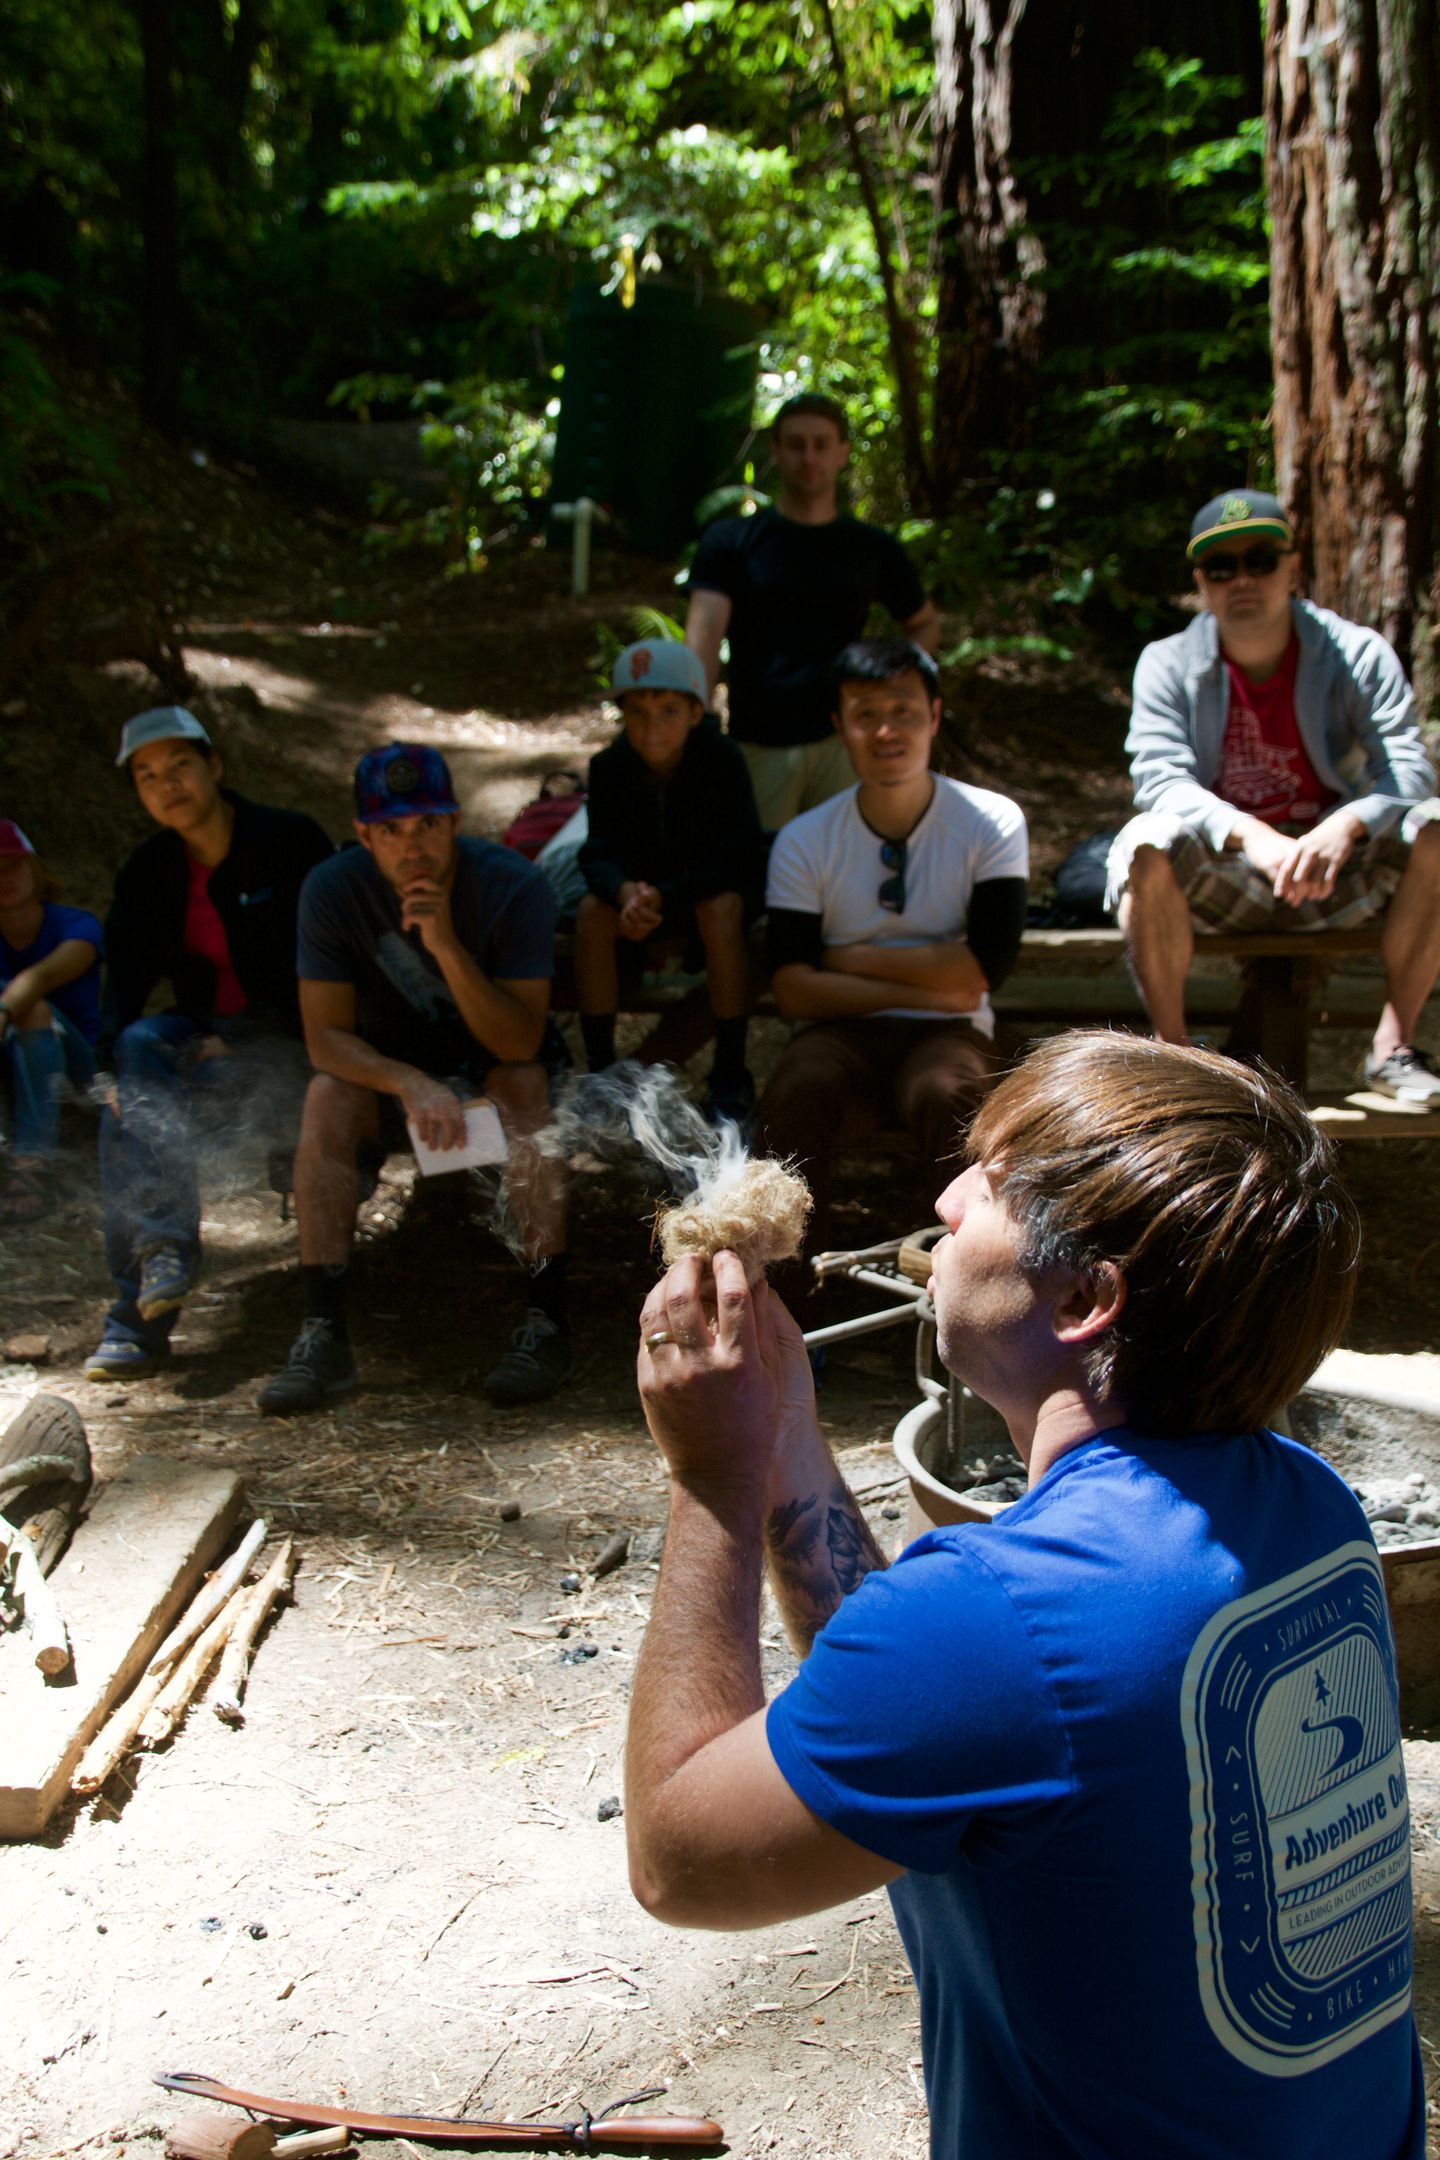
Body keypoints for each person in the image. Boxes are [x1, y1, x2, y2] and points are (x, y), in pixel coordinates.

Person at [625, 1032, 1421, 2160]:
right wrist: (784, 1437)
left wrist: (709, 1480)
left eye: (989, 1185)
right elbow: (929, 1711)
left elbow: (679, 1861)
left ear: (1087, 1297)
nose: (944, 1202)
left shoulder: (1004, 1618)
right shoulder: (1309, 1507)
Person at [259, 742, 573, 1415]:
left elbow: (521, 1038)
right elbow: (324, 1038)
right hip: (394, 1084)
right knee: (326, 1095)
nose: (413, 847)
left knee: (524, 1084)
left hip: (494, 1074)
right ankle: (323, 1332)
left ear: (456, 823)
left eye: (428, 824)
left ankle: (546, 1319)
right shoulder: (333, 889)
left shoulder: (511, 885)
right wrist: (408, 1082)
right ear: (365, 835)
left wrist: (446, 948)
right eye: (392, 831)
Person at [1109, 487, 1440, 1098]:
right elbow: (1159, 779)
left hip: (1342, 870)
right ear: (1200, 581)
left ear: (1293, 565)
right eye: (1221, 566)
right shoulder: (1168, 661)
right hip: (1226, 874)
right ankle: (1176, 1055)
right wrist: (1251, 835)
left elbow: (1409, 771)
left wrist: (1346, 825)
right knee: (1145, 841)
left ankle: (1393, 1047)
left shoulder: (1355, 652)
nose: (1243, 579)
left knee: (1436, 826)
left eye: (1260, 559)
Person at [754, 636, 1027, 1300]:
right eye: (864, 713)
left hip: (950, 1033)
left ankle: (981, 1298)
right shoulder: (805, 839)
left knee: (949, 1091)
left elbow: (979, 973)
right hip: (839, 1035)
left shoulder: (990, 822)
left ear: (934, 716)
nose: (885, 730)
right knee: (797, 1087)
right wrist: (933, 980)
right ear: (838, 727)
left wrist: (844, 958)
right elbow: (791, 987)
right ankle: (784, 1305)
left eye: (903, 710)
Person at [86, 708, 332, 1381]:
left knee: (136, 1105)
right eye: (148, 775)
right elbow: (125, 978)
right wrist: (109, 1070)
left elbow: (334, 959)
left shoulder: (287, 841)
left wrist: (245, 1036)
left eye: (180, 766)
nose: (168, 785)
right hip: (201, 1036)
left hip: (290, 1039)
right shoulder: (150, 871)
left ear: (214, 766)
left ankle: (134, 1320)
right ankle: (162, 1253)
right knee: (132, 1076)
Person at [685, 392, 941, 830]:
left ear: (842, 452)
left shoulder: (871, 548)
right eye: (797, 444)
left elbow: (922, 623)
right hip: (760, 741)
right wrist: (699, 724)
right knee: (762, 872)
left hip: (844, 743)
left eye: (821, 444)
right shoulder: (732, 542)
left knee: (846, 867)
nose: (809, 457)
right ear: (777, 451)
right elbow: (703, 638)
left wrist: (891, 698)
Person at [575, 638, 763, 1124]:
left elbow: (741, 852)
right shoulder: (609, 766)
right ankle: (599, 1069)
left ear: (696, 711)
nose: (651, 726)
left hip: (698, 895)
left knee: (722, 909)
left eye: (668, 710)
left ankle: (728, 1073)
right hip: (638, 899)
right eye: (636, 711)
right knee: (591, 913)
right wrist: (622, 892)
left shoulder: (723, 760)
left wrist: (666, 893)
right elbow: (596, 851)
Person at [0, 819, 101, 1219]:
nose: (4, 878)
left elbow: (39, 979)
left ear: (34, 869)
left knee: (30, 1006)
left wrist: (4, 1011)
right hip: (9, 1068)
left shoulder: (77, 926)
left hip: (77, 1074)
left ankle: (32, 1163)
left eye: (13, 865)